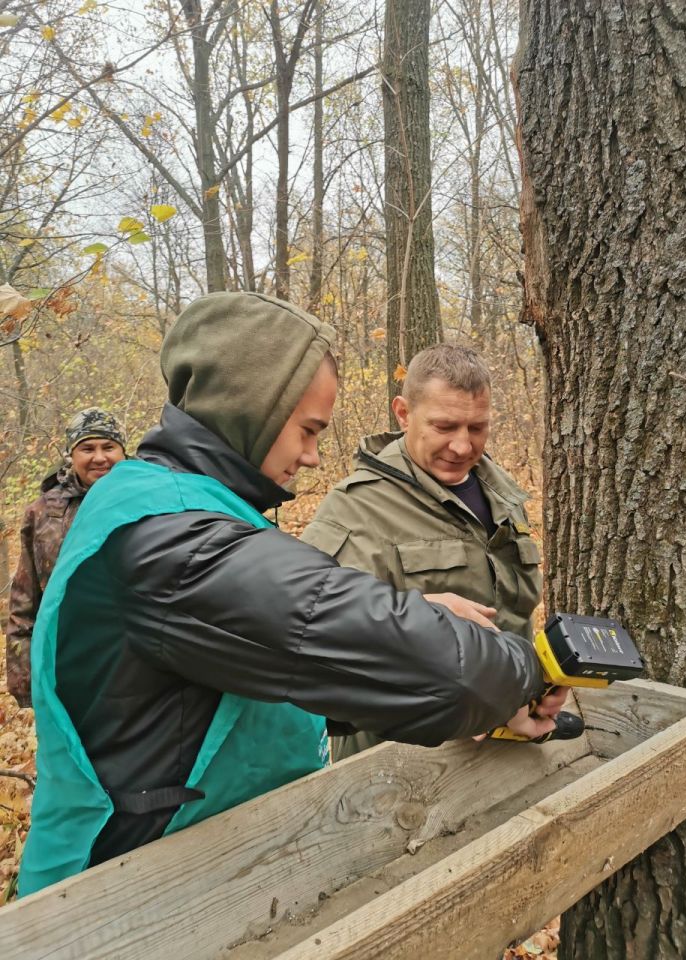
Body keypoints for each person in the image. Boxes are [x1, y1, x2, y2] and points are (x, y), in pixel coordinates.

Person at [18, 292, 565, 898]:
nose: (311, 455)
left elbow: (274, 674)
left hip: (199, 870)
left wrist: (424, 631)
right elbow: (429, 663)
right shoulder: (172, 540)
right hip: (114, 899)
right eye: (307, 430)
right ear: (252, 409)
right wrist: (523, 675)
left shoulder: (175, 507)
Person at [302, 344, 543, 759]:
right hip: (401, 761)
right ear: (403, 413)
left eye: (477, 428)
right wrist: (421, 617)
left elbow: (514, 613)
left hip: (509, 739)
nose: (463, 447)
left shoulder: (501, 493)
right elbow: (314, 640)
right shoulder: (354, 509)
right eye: (445, 426)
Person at [5, 408, 126, 707]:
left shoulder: (150, 498)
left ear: (123, 452)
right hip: (69, 662)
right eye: (87, 448)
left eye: (108, 447)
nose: (99, 457)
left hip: (134, 660)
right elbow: (24, 598)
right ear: (71, 455)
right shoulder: (44, 511)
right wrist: (24, 680)